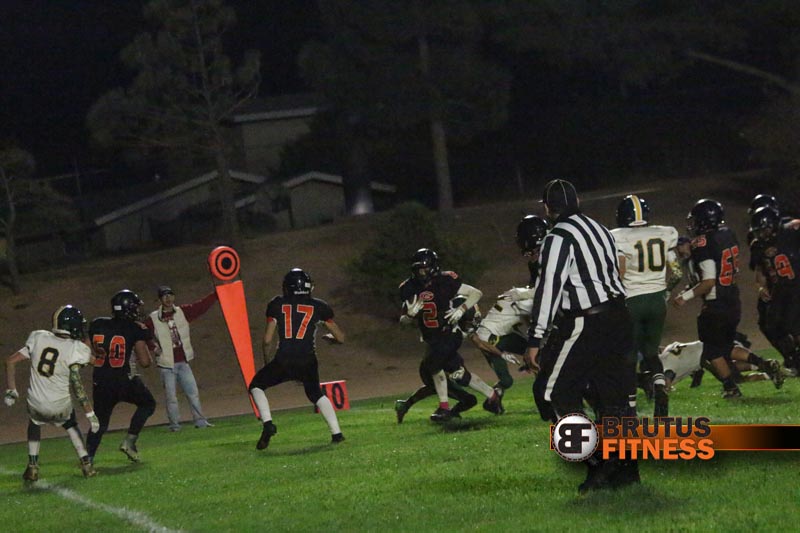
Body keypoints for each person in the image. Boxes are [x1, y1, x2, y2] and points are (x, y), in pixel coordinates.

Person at [523, 179, 637, 493]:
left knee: (550, 393)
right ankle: (625, 470)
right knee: (613, 397)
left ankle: (597, 461)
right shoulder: (600, 229)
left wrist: (535, 338)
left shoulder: (558, 236)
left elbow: (550, 288)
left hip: (588, 320)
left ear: (548, 208)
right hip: (619, 315)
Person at [399, 248, 502, 422]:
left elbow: (476, 293)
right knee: (460, 374)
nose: (421, 273)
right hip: (432, 338)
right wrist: (409, 316)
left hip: (449, 332)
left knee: (433, 363)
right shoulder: (409, 287)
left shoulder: (445, 280)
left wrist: (462, 309)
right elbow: (403, 321)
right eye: (418, 269)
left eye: (424, 268)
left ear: (433, 267)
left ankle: (444, 407)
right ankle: (493, 396)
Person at [248, 268, 347, 449]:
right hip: (307, 359)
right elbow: (340, 338)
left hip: (284, 359)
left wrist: (267, 361)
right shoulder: (319, 306)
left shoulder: (277, 304)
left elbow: (267, 340)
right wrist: (331, 339)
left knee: (256, 386)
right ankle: (337, 433)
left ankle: (268, 423)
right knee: (316, 394)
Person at [4, 306, 99, 482]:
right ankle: (86, 464)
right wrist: (90, 413)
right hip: (60, 405)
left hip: (36, 403)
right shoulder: (76, 348)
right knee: (71, 424)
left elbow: (10, 361)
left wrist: (12, 390)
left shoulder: (38, 337)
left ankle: (33, 466)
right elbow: (95, 362)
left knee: (34, 423)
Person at [611, 194, 678, 417]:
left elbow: (620, 271)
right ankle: (659, 386)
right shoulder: (664, 233)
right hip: (657, 300)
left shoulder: (618, 237)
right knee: (651, 352)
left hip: (632, 301)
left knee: (629, 356)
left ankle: (630, 408)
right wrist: (665, 291)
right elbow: (677, 272)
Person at [671, 199, 743, 399]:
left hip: (716, 302)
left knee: (711, 350)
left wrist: (685, 297)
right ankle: (761, 365)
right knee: (725, 346)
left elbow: (709, 281)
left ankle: (731, 387)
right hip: (733, 298)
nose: (693, 224)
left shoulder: (703, 242)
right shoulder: (728, 234)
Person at [86, 290, 156, 464]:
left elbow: (83, 352)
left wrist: (100, 362)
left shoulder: (97, 324)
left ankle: (88, 458)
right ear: (128, 309)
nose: (138, 310)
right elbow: (145, 362)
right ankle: (129, 442)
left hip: (101, 380)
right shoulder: (135, 328)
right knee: (148, 404)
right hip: (124, 380)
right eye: (135, 307)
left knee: (100, 423)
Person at [143, 285, 217, 431]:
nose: (168, 298)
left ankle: (200, 421)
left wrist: (215, 295)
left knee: (193, 393)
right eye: (164, 296)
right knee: (171, 397)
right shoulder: (153, 318)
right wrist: (153, 347)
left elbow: (200, 306)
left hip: (183, 361)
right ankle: (175, 425)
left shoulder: (182, 312)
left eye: (170, 295)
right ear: (160, 299)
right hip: (166, 364)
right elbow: (143, 333)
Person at [749, 205, 800, 376]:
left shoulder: (790, 231)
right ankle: (793, 359)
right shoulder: (758, 245)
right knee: (771, 325)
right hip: (779, 290)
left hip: (796, 285)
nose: (761, 234)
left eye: (764, 230)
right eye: (759, 231)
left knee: (795, 326)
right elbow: (760, 270)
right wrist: (761, 286)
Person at [658, 333, 783, 390]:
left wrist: (662, 389)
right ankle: (767, 365)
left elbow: (668, 377)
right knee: (730, 359)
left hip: (705, 357)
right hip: (706, 343)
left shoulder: (665, 365)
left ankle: (766, 374)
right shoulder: (668, 349)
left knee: (733, 378)